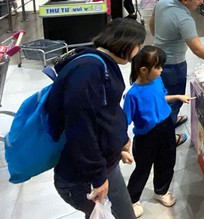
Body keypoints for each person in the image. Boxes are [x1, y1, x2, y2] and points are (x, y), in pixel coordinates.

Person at [46, 19, 146, 219]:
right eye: (138, 46)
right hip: (85, 173)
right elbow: (80, 128)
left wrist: (116, 147)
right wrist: (98, 177)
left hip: (103, 162)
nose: (138, 52)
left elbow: (102, 113)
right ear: (127, 43)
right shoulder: (89, 69)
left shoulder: (99, 61)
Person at [124, 46, 190, 217]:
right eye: (158, 67)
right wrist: (123, 146)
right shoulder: (132, 94)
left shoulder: (157, 81)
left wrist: (176, 97)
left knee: (167, 161)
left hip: (167, 126)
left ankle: (161, 191)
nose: (162, 70)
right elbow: (124, 120)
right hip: (146, 136)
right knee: (143, 168)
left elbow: (161, 97)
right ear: (144, 70)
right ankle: (132, 199)